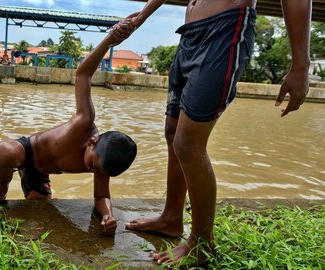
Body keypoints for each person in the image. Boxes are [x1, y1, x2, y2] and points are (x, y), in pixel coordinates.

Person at [124, 0, 311, 266]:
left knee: (188, 144)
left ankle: (202, 242)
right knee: (172, 131)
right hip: (190, 33)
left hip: (225, 31)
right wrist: (142, 15)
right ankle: (171, 218)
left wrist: (301, 65)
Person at [0, 15, 139, 236]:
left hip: (39, 173)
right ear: (91, 142)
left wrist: (108, 214)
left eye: (98, 170)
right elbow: (83, 74)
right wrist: (109, 40)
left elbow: (101, 196)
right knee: (3, 151)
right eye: (93, 166)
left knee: (40, 220)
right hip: (27, 153)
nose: (93, 171)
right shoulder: (85, 122)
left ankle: (32, 186)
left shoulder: (102, 162)